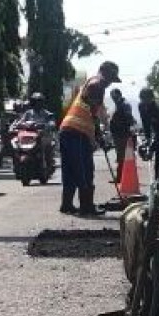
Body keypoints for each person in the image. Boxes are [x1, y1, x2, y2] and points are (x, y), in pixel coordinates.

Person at [58, 61, 119, 216]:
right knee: (84, 169)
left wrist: (97, 134)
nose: (110, 83)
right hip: (77, 132)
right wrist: (99, 135)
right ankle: (86, 206)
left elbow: (92, 111)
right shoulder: (96, 85)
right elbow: (93, 112)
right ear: (105, 75)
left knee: (70, 170)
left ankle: (67, 204)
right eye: (111, 79)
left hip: (67, 130)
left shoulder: (91, 83)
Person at [12, 93, 56, 168]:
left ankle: (48, 163)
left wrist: (45, 125)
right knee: (15, 144)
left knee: (48, 146)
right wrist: (17, 125)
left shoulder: (47, 114)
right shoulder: (28, 113)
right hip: (29, 137)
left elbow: (52, 123)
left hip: (42, 136)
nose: (37, 104)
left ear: (42, 103)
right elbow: (20, 122)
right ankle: (17, 163)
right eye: (35, 101)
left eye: (39, 101)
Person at [137, 87, 159, 177]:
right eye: (143, 100)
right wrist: (147, 141)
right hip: (158, 133)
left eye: (147, 100)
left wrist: (152, 148)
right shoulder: (141, 107)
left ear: (152, 99)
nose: (145, 103)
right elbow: (146, 125)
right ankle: (158, 181)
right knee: (158, 163)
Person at [108, 88, 136, 183]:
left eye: (114, 96)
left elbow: (128, 118)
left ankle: (121, 177)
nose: (113, 98)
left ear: (119, 95)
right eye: (112, 97)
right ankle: (121, 177)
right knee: (120, 156)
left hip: (122, 134)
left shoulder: (124, 104)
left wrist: (127, 129)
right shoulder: (119, 105)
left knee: (122, 156)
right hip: (118, 134)